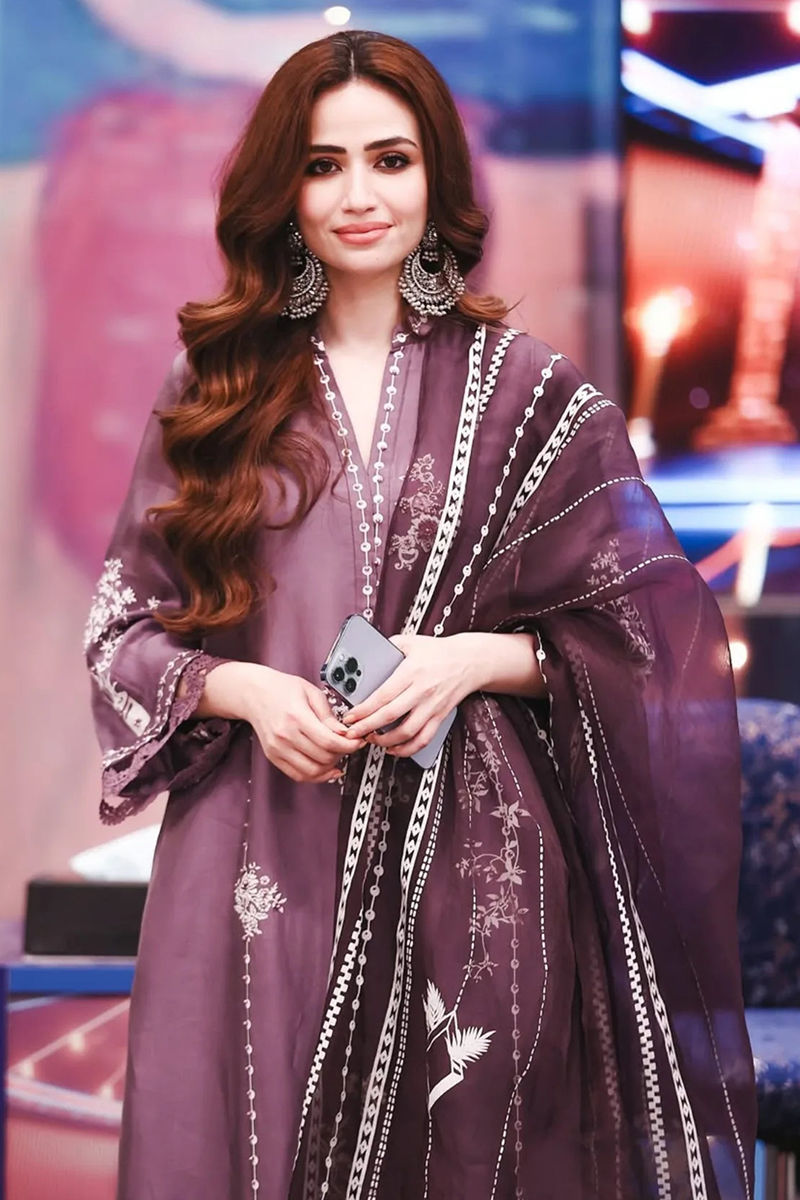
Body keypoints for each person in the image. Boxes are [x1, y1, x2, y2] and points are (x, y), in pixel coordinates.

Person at [85, 29, 756, 1200]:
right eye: (323, 164)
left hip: (470, 866)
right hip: (253, 851)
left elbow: (651, 639)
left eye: (389, 160)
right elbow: (123, 634)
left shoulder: (530, 395)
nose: (358, 195)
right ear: (283, 191)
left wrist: (470, 661)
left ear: (436, 174)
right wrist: (242, 689)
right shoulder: (216, 396)